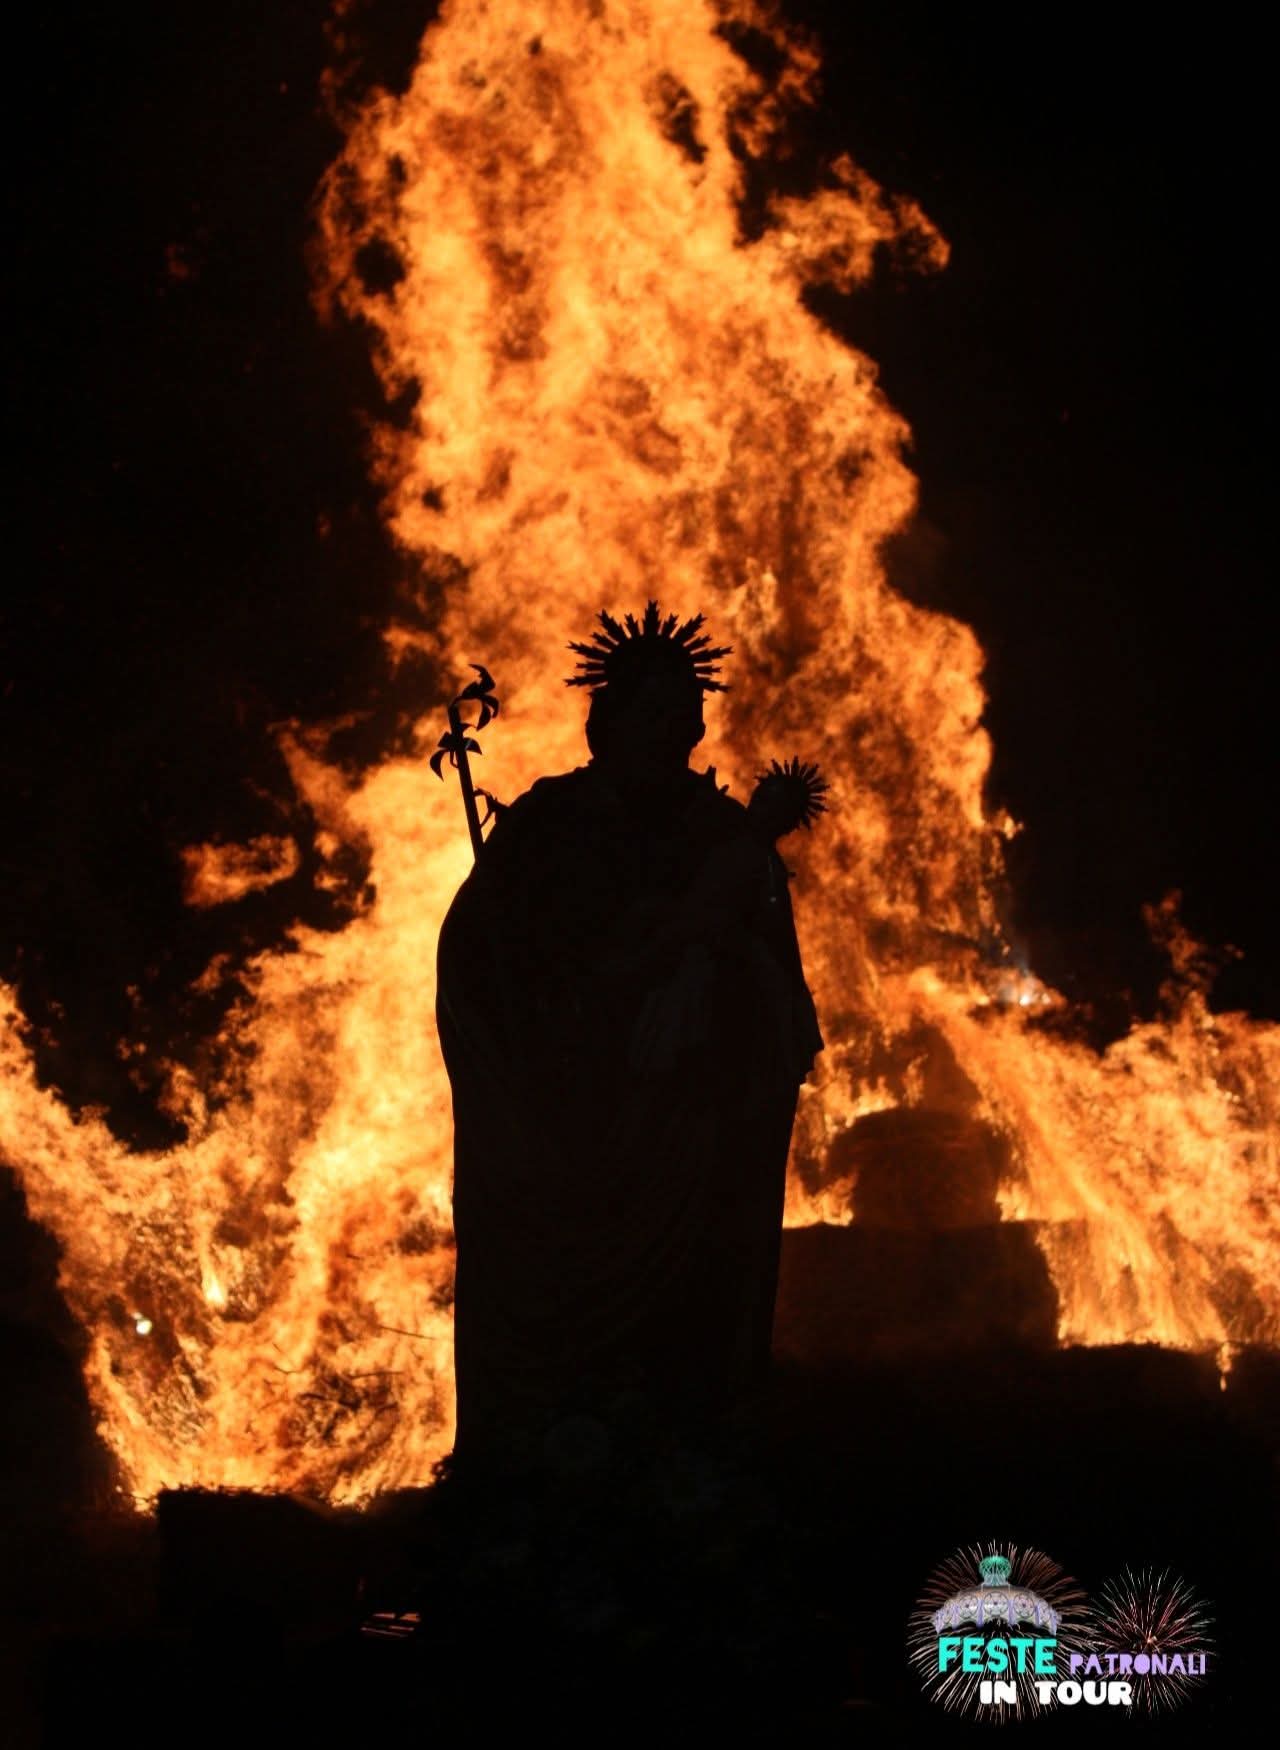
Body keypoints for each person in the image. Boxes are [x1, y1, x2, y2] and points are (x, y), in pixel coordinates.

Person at [436, 603, 823, 1474]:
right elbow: (483, 954)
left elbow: (772, 966)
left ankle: (681, 1437)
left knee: (686, 1319)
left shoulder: (719, 829)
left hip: (687, 1115)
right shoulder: (550, 820)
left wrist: (711, 976)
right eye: (650, 712)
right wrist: (547, 1015)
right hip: (565, 1106)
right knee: (555, 1305)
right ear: (607, 720)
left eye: (683, 715)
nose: (670, 730)